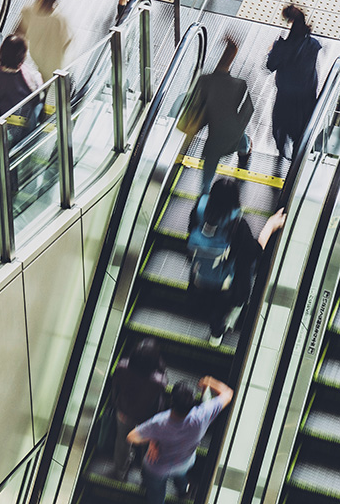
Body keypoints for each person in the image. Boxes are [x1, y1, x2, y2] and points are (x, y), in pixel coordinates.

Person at [127, 376, 233, 504]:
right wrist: (209, 381)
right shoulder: (201, 415)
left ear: (172, 402)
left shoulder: (159, 422)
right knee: (181, 474)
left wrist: (152, 441)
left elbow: (132, 437)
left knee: (156, 501)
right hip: (185, 461)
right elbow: (228, 393)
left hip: (156, 468)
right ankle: (183, 491)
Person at [187, 178, 286, 346]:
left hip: (198, 276)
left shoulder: (198, 209)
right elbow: (254, 253)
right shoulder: (237, 226)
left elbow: (191, 232)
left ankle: (215, 330)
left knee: (209, 302)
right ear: (235, 200)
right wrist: (270, 225)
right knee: (227, 304)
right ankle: (217, 334)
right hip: (226, 285)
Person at [194, 37, 254, 195]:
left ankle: (205, 191)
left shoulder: (204, 82)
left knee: (210, 163)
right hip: (236, 128)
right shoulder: (238, 84)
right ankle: (245, 153)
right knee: (242, 142)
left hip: (216, 134)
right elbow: (248, 108)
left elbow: (201, 114)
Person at [267, 5, 322, 159]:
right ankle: (301, 156)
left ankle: (283, 153)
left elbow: (270, 66)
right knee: (304, 127)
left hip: (286, 97)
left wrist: (273, 48)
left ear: (289, 22)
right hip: (307, 95)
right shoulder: (313, 45)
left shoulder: (281, 47)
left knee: (281, 127)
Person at [111, 338, 168, 479]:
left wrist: (116, 404)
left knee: (122, 440)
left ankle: (120, 471)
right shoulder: (158, 381)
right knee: (148, 444)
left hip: (124, 411)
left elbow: (115, 388)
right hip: (148, 416)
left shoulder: (121, 368)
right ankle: (146, 473)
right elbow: (163, 385)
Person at [16, 0, 72, 81]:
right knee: (49, 81)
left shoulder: (29, 12)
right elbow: (67, 41)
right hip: (56, 61)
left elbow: (19, 33)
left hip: (37, 56)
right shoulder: (60, 20)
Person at [0, 35, 44, 144]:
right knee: (39, 106)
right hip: (20, 132)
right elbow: (38, 99)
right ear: (22, 57)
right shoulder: (32, 78)